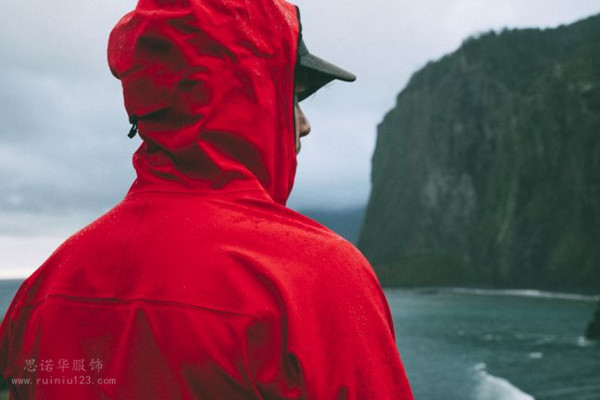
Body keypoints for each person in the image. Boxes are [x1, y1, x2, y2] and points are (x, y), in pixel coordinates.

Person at [0, 0, 414, 398]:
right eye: (291, 95)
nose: (304, 125)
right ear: (248, 94)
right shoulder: (314, 277)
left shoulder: (40, 293)